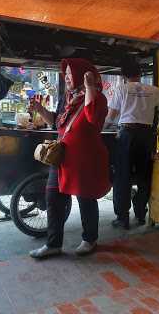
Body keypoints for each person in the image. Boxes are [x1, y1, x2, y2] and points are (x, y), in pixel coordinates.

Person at [29, 58, 110, 259]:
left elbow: (92, 117)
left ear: (82, 75)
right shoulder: (68, 99)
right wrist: (40, 110)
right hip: (62, 158)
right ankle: (53, 244)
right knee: (53, 198)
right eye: (65, 75)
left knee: (86, 198)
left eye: (69, 74)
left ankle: (89, 239)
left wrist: (90, 86)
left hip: (83, 160)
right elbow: (58, 124)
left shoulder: (98, 98)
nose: (66, 78)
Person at [107, 60, 159, 229]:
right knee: (144, 175)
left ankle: (122, 218)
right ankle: (141, 214)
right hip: (147, 136)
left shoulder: (121, 89)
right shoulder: (153, 90)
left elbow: (111, 116)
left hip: (127, 135)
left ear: (123, 76)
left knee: (122, 176)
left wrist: (104, 126)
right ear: (140, 73)